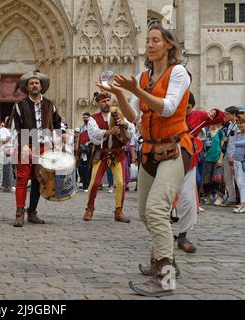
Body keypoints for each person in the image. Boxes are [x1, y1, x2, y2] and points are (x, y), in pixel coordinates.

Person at [98, 24, 191, 296]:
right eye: (147, 41)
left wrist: (136, 91)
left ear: (169, 46)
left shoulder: (179, 73)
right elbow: (133, 117)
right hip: (150, 150)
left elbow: (168, 107)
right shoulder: (144, 77)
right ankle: (164, 259)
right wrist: (118, 95)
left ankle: (165, 277)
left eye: (155, 41)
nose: (149, 45)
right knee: (144, 213)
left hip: (175, 148)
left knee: (157, 210)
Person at [10, 70, 66, 227]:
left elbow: (58, 122)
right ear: (27, 87)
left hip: (44, 147)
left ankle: (32, 212)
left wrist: (62, 133)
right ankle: (19, 213)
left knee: (38, 180)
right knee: (22, 180)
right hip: (26, 146)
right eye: (31, 83)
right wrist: (23, 146)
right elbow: (15, 129)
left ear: (41, 86)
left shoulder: (50, 104)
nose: (34, 85)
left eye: (37, 83)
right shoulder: (19, 105)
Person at [173, 92, 225, 253]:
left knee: (188, 200)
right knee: (162, 201)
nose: (185, 110)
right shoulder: (169, 114)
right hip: (167, 159)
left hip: (189, 161)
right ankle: (162, 238)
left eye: (188, 107)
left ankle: (183, 235)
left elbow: (220, 118)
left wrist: (214, 112)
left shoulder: (198, 116)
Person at [83, 91, 134, 223]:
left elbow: (131, 131)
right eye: (103, 101)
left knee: (121, 183)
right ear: (98, 103)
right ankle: (89, 208)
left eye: (108, 100)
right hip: (102, 154)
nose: (106, 103)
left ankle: (119, 211)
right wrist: (108, 132)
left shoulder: (119, 115)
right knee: (94, 183)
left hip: (118, 153)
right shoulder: (93, 119)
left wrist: (124, 124)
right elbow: (93, 136)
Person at [202, 123, 226, 205]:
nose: (213, 123)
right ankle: (208, 196)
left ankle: (219, 197)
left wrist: (220, 159)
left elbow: (223, 147)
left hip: (217, 159)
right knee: (207, 179)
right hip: (207, 159)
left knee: (218, 179)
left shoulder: (220, 133)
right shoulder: (205, 132)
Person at [222, 106, 239, 206]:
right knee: (227, 178)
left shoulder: (239, 125)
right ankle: (232, 198)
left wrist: (234, 156)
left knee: (238, 178)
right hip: (227, 154)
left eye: (227, 114)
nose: (226, 116)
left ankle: (241, 199)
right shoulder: (229, 125)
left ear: (234, 114)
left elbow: (239, 141)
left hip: (235, 155)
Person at [0, 119, 15, 192]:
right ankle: (6, 184)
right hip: (7, 148)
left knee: (6, 167)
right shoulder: (2, 130)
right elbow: (2, 140)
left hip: (6, 148)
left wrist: (1, 145)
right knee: (6, 167)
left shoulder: (4, 130)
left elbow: (5, 138)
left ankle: (7, 184)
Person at [76, 112, 92, 192]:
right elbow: (79, 138)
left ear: (89, 118)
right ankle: (84, 182)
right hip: (82, 150)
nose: (85, 119)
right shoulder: (82, 127)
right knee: (81, 167)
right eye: (84, 117)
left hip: (89, 150)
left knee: (88, 168)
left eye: (86, 117)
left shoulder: (92, 126)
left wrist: (88, 143)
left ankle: (87, 185)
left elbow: (94, 137)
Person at [233, 118, 245, 213]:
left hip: (242, 161)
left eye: (242, 123)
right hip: (237, 160)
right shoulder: (240, 134)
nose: (240, 125)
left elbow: (239, 143)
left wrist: (236, 144)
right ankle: (242, 203)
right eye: (238, 123)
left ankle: (243, 204)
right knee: (239, 183)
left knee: (241, 182)